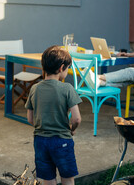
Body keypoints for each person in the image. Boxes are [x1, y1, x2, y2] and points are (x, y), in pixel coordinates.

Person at [25, 45, 82, 185]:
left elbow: (30, 118)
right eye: (67, 68)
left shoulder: (34, 88)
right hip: (61, 140)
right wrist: (72, 129)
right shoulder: (67, 88)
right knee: (67, 179)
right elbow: (77, 118)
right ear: (61, 68)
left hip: (40, 141)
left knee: (48, 179)